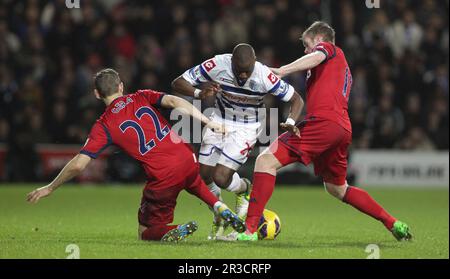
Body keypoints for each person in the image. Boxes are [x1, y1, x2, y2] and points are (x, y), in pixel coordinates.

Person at [236, 22, 412, 241]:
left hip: (325, 123)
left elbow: (317, 55)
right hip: (341, 128)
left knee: (265, 161)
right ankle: (393, 223)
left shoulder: (330, 50)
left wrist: (282, 70)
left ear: (320, 40)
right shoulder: (337, 65)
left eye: (307, 44)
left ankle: (250, 230)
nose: (305, 50)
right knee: (337, 188)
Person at [26, 68, 245, 242]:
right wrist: (208, 122)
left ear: (96, 93)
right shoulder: (141, 96)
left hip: (163, 175)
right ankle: (219, 207)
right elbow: (175, 101)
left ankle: (176, 230)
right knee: (193, 181)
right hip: (186, 156)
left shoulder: (104, 125)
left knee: (145, 231)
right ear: (121, 86)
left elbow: (79, 165)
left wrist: (50, 187)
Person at [172, 44, 303, 239]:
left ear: (255, 63)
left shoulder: (264, 76)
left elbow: (296, 99)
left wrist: (291, 121)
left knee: (221, 178)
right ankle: (219, 216)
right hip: (218, 119)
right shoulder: (217, 64)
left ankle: (244, 189)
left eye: (247, 72)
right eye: (239, 71)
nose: (242, 76)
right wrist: (199, 93)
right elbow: (178, 82)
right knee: (204, 175)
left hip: (247, 127)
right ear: (230, 62)